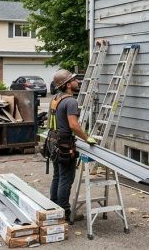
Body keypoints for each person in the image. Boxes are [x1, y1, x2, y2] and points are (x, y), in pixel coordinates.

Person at [46, 68, 96, 219]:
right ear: (68, 84)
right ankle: (65, 212)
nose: (78, 81)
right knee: (66, 178)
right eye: (74, 80)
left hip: (52, 141)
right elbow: (73, 125)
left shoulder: (56, 99)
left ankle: (54, 207)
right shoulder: (71, 101)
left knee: (58, 176)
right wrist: (87, 138)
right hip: (63, 145)